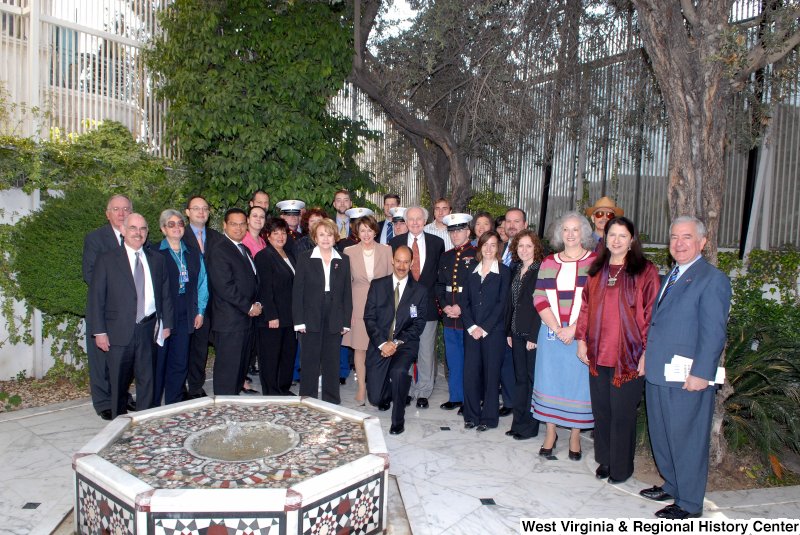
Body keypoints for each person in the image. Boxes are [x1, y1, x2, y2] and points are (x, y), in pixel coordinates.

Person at [639, 216, 731, 520]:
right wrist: (646, 356)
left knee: (687, 439)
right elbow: (659, 324)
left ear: (702, 243)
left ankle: (690, 503)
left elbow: (714, 333)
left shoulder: (712, 279)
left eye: (687, 237)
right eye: (675, 237)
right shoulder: (671, 276)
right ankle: (672, 484)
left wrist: (701, 373)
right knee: (663, 434)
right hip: (659, 371)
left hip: (688, 377)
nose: (679, 243)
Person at [574, 216, 660, 482]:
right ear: (605, 238)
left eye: (623, 235)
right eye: (612, 235)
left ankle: (621, 467)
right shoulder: (597, 270)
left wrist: (647, 351)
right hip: (598, 353)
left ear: (632, 240)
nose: (617, 240)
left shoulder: (645, 271)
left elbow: (652, 313)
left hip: (630, 356)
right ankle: (605, 460)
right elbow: (585, 307)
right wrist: (581, 340)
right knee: (602, 411)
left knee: (622, 414)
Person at [88, 213, 173, 418]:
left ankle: (144, 424)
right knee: (118, 383)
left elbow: (165, 294)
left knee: (148, 382)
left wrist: (167, 324)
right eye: (133, 228)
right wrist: (99, 331)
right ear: (124, 231)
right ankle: (119, 427)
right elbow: (96, 298)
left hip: (148, 329)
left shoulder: (157, 260)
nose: (138, 233)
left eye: (143, 229)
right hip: (119, 332)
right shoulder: (107, 260)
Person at [532, 211, 596, 459]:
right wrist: (558, 328)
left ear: (584, 233)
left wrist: (574, 329)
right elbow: (539, 297)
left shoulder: (595, 262)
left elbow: (596, 302)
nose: (570, 234)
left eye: (575, 230)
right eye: (566, 230)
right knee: (550, 381)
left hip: (581, 334)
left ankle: (575, 435)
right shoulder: (549, 262)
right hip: (552, 332)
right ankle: (550, 432)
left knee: (578, 386)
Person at [363, 246, 428, 434]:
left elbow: (418, 324)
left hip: (404, 344)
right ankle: (394, 391)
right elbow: (369, 317)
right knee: (375, 398)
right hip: (380, 343)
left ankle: (398, 420)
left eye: (406, 261)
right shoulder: (378, 285)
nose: (401, 265)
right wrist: (383, 343)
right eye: (398, 261)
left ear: (412, 263)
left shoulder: (420, 291)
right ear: (392, 260)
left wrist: (396, 343)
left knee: (399, 371)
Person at [82, 194, 133, 420]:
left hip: (129, 313)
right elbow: (90, 275)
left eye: (125, 209)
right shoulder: (96, 239)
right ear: (107, 213)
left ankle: (121, 396)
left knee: (124, 358)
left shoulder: (137, 237)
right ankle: (103, 401)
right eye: (116, 209)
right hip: (105, 309)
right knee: (101, 359)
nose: (121, 214)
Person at [389, 206, 444, 409]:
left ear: (425, 221)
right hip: (401, 308)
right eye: (410, 219)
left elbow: (438, 276)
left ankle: (423, 391)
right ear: (405, 221)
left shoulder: (436, 243)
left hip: (428, 307)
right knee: (403, 350)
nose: (414, 223)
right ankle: (406, 389)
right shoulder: (395, 243)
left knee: (426, 350)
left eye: (418, 219)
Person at [293, 218, 353, 404]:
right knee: (309, 361)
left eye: (329, 234)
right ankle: (308, 402)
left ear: (335, 237)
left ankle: (331, 402)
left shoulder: (343, 260)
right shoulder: (305, 258)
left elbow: (346, 293)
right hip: (311, 315)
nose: (326, 238)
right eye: (321, 234)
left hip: (334, 315)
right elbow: (298, 292)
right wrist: (299, 321)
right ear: (314, 237)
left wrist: (345, 321)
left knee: (332, 362)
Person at [153, 209, 208, 406]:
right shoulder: (154, 253)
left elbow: (203, 283)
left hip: (186, 312)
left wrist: (200, 311)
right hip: (162, 315)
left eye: (179, 223)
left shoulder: (193, 253)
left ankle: (174, 403)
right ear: (163, 229)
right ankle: (153, 406)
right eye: (171, 224)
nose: (176, 227)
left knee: (179, 361)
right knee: (159, 363)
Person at [205, 208, 262, 396]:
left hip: (245, 321)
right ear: (224, 225)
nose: (238, 228)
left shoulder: (243, 249)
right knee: (228, 372)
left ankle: (234, 406)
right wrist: (248, 307)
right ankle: (223, 410)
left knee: (239, 370)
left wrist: (258, 304)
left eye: (241, 224)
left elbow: (253, 281)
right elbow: (225, 286)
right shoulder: (219, 249)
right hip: (229, 322)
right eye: (233, 224)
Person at [460, 231, 511, 431]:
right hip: (471, 331)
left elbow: (502, 304)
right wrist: (472, 326)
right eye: (485, 244)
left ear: (498, 247)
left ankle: (489, 418)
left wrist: (485, 327)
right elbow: (464, 302)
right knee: (470, 374)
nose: (489, 249)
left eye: (493, 245)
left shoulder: (504, 272)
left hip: (494, 332)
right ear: (479, 246)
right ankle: (471, 415)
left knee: (491, 375)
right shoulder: (471, 270)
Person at [343, 215, 393, 405]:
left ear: (375, 231)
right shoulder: (348, 252)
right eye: (362, 230)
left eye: (369, 230)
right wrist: (348, 313)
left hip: (381, 306)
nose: (366, 234)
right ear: (357, 231)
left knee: (381, 347)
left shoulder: (386, 251)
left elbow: (391, 282)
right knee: (360, 348)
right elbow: (346, 285)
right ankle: (362, 388)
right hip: (358, 304)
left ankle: (378, 385)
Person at [504, 229, 545, 440]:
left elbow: (542, 306)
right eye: (520, 246)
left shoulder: (541, 270)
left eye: (529, 246)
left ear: (535, 248)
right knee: (519, 380)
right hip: (516, 332)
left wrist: (533, 336)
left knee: (531, 381)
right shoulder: (517, 269)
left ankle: (529, 427)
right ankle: (517, 423)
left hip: (531, 335)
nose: (524, 249)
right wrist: (509, 331)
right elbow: (512, 304)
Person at [182, 195, 223, 399]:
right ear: (187, 212)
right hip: (188, 301)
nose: (201, 212)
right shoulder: (180, 236)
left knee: (200, 347)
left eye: (205, 208)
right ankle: (180, 385)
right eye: (196, 208)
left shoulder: (217, 238)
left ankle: (196, 386)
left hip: (212, 302)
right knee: (184, 346)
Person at [435, 213, 476, 412]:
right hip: (449, 316)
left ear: (468, 231)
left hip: (467, 316)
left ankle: (469, 399)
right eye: (452, 231)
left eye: (459, 230)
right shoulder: (446, 255)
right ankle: (456, 397)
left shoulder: (476, 254)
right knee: (453, 359)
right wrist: (444, 306)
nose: (455, 235)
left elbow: (476, 287)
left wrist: (461, 306)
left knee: (469, 360)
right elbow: (440, 285)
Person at [254, 217, 297, 396]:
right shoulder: (264, 256)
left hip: (290, 316)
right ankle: (272, 392)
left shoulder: (289, 255)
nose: (280, 236)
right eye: (275, 233)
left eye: (283, 232)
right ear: (268, 236)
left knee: (287, 355)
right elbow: (265, 288)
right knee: (271, 357)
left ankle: (283, 388)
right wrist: (272, 315)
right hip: (273, 318)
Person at [497, 207, 529, 416]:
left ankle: (521, 405)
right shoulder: (498, 249)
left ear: (525, 225)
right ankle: (509, 401)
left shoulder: (529, 252)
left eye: (516, 221)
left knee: (520, 366)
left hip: (519, 319)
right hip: (498, 316)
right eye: (508, 221)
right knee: (504, 362)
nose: (511, 225)